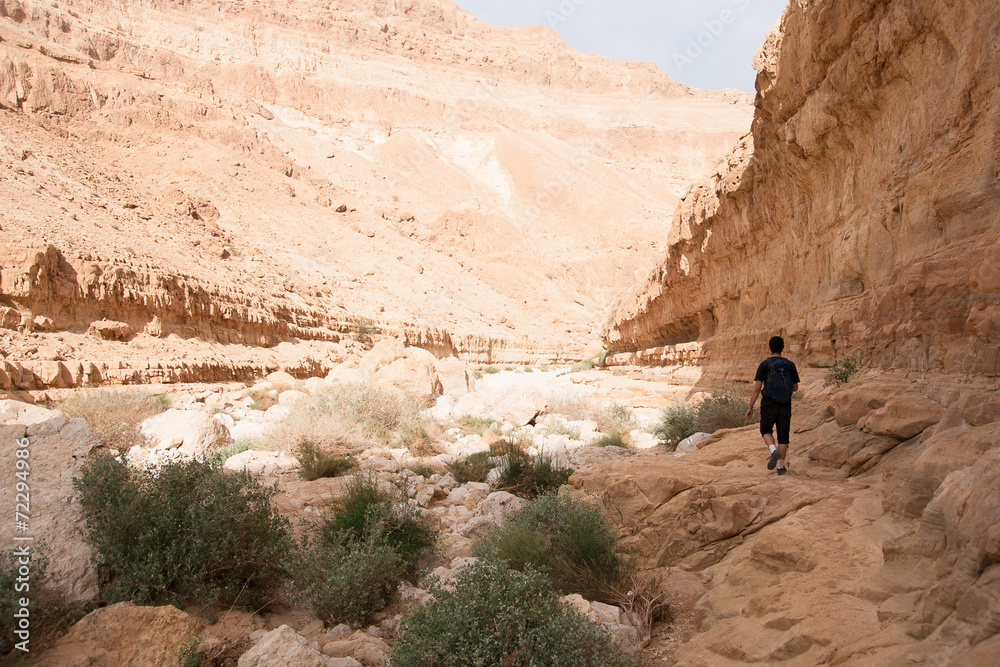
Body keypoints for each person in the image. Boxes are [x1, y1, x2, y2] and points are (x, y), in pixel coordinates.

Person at [746, 336, 800, 476]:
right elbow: (795, 388)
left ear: (769, 348)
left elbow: (757, 388)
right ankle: (781, 468)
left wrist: (750, 406)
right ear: (782, 348)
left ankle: (772, 450)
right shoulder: (790, 365)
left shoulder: (764, 365)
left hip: (769, 404)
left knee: (766, 430)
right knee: (783, 437)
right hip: (785, 404)